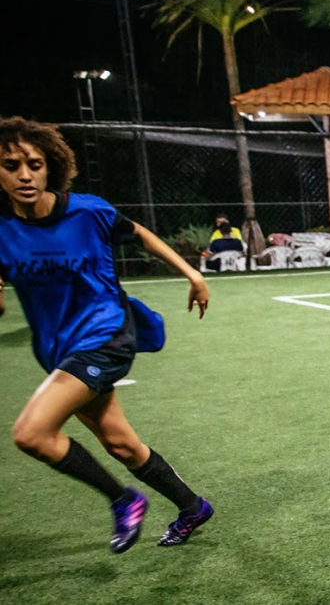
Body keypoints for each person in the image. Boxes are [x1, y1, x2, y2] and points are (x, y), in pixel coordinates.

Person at [0, 117, 214, 554]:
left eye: (34, 164)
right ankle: (192, 507)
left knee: (31, 433)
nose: (24, 174)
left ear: (50, 168)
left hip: (106, 336)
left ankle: (124, 500)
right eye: (10, 164)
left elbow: (141, 235)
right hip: (58, 351)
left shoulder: (88, 211)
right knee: (120, 443)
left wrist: (193, 274)